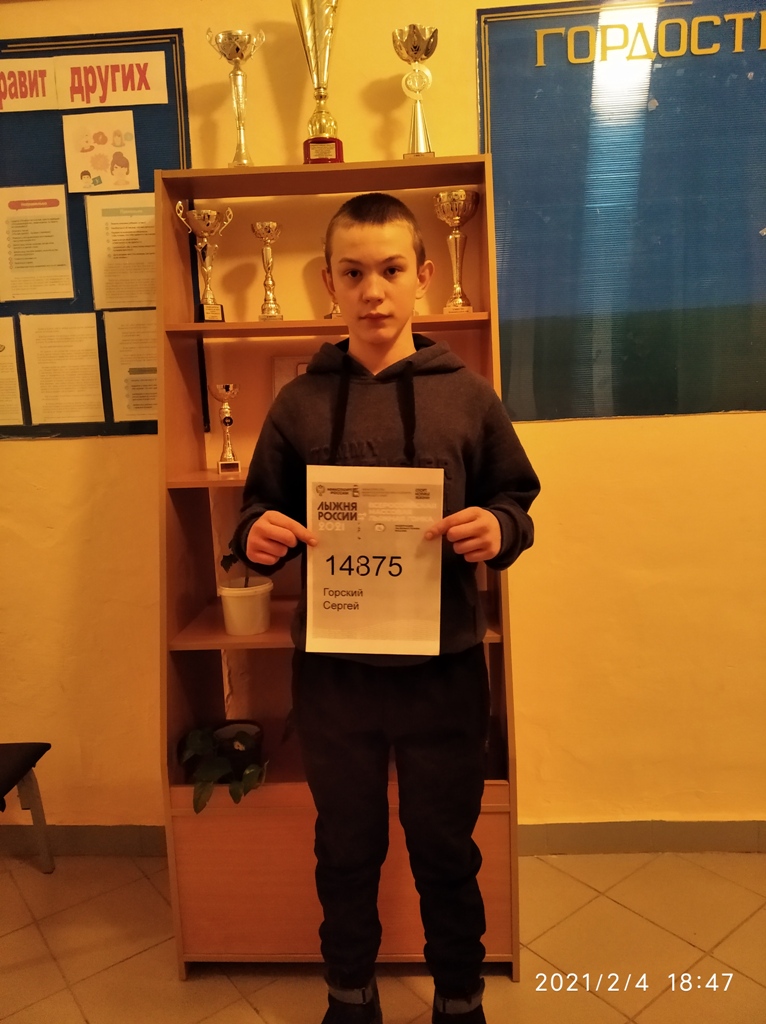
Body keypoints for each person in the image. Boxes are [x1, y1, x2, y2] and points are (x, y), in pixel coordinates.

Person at [229, 193, 540, 1024]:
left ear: (424, 276)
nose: (373, 291)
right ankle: (350, 995)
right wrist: (259, 534)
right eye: (354, 272)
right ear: (329, 283)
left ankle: (460, 997)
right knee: (346, 845)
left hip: (444, 670)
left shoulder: (468, 396)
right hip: (335, 675)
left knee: (446, 847)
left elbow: (516, 501)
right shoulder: (297, 404)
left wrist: (498, 527)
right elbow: (256, 514)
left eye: (392, 269)